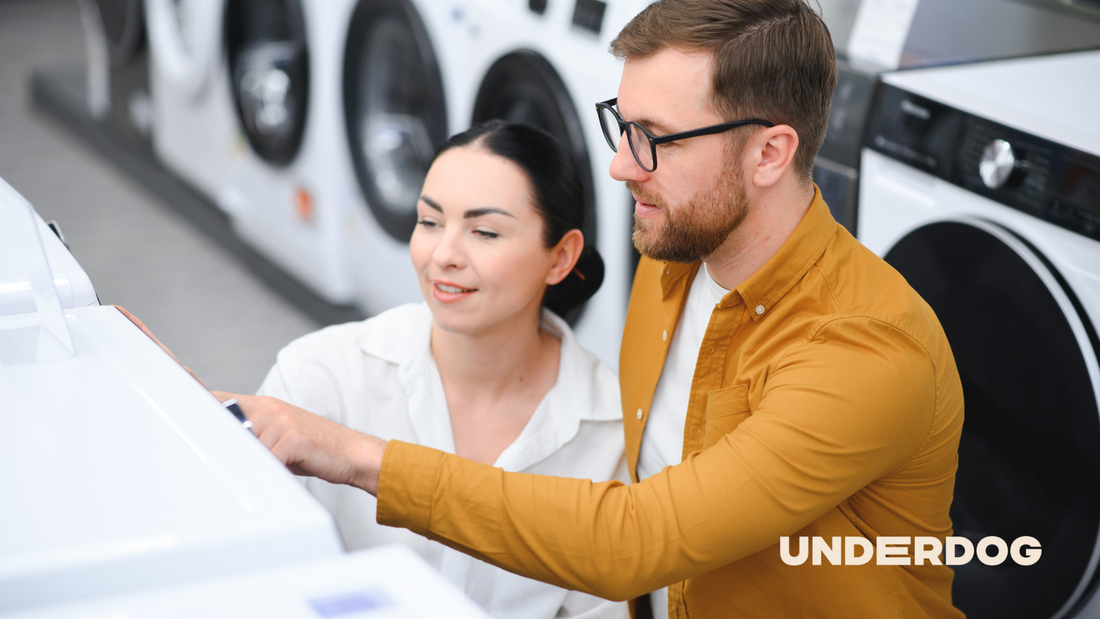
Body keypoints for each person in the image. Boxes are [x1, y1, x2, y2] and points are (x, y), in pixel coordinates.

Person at [224, 1, 965, 617]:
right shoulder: (673, 259)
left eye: (657, 140)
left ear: (770, 153)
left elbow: (636, 540)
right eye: (622, 122)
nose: (619, 165)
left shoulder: (865, 347)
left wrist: (355, 453)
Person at [147, 120, 629, 619]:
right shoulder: (320, 377)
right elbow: (250, 579)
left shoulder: (610, 429)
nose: (443, 256)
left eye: (484, 232)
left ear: (561, 257)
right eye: (429, 222)